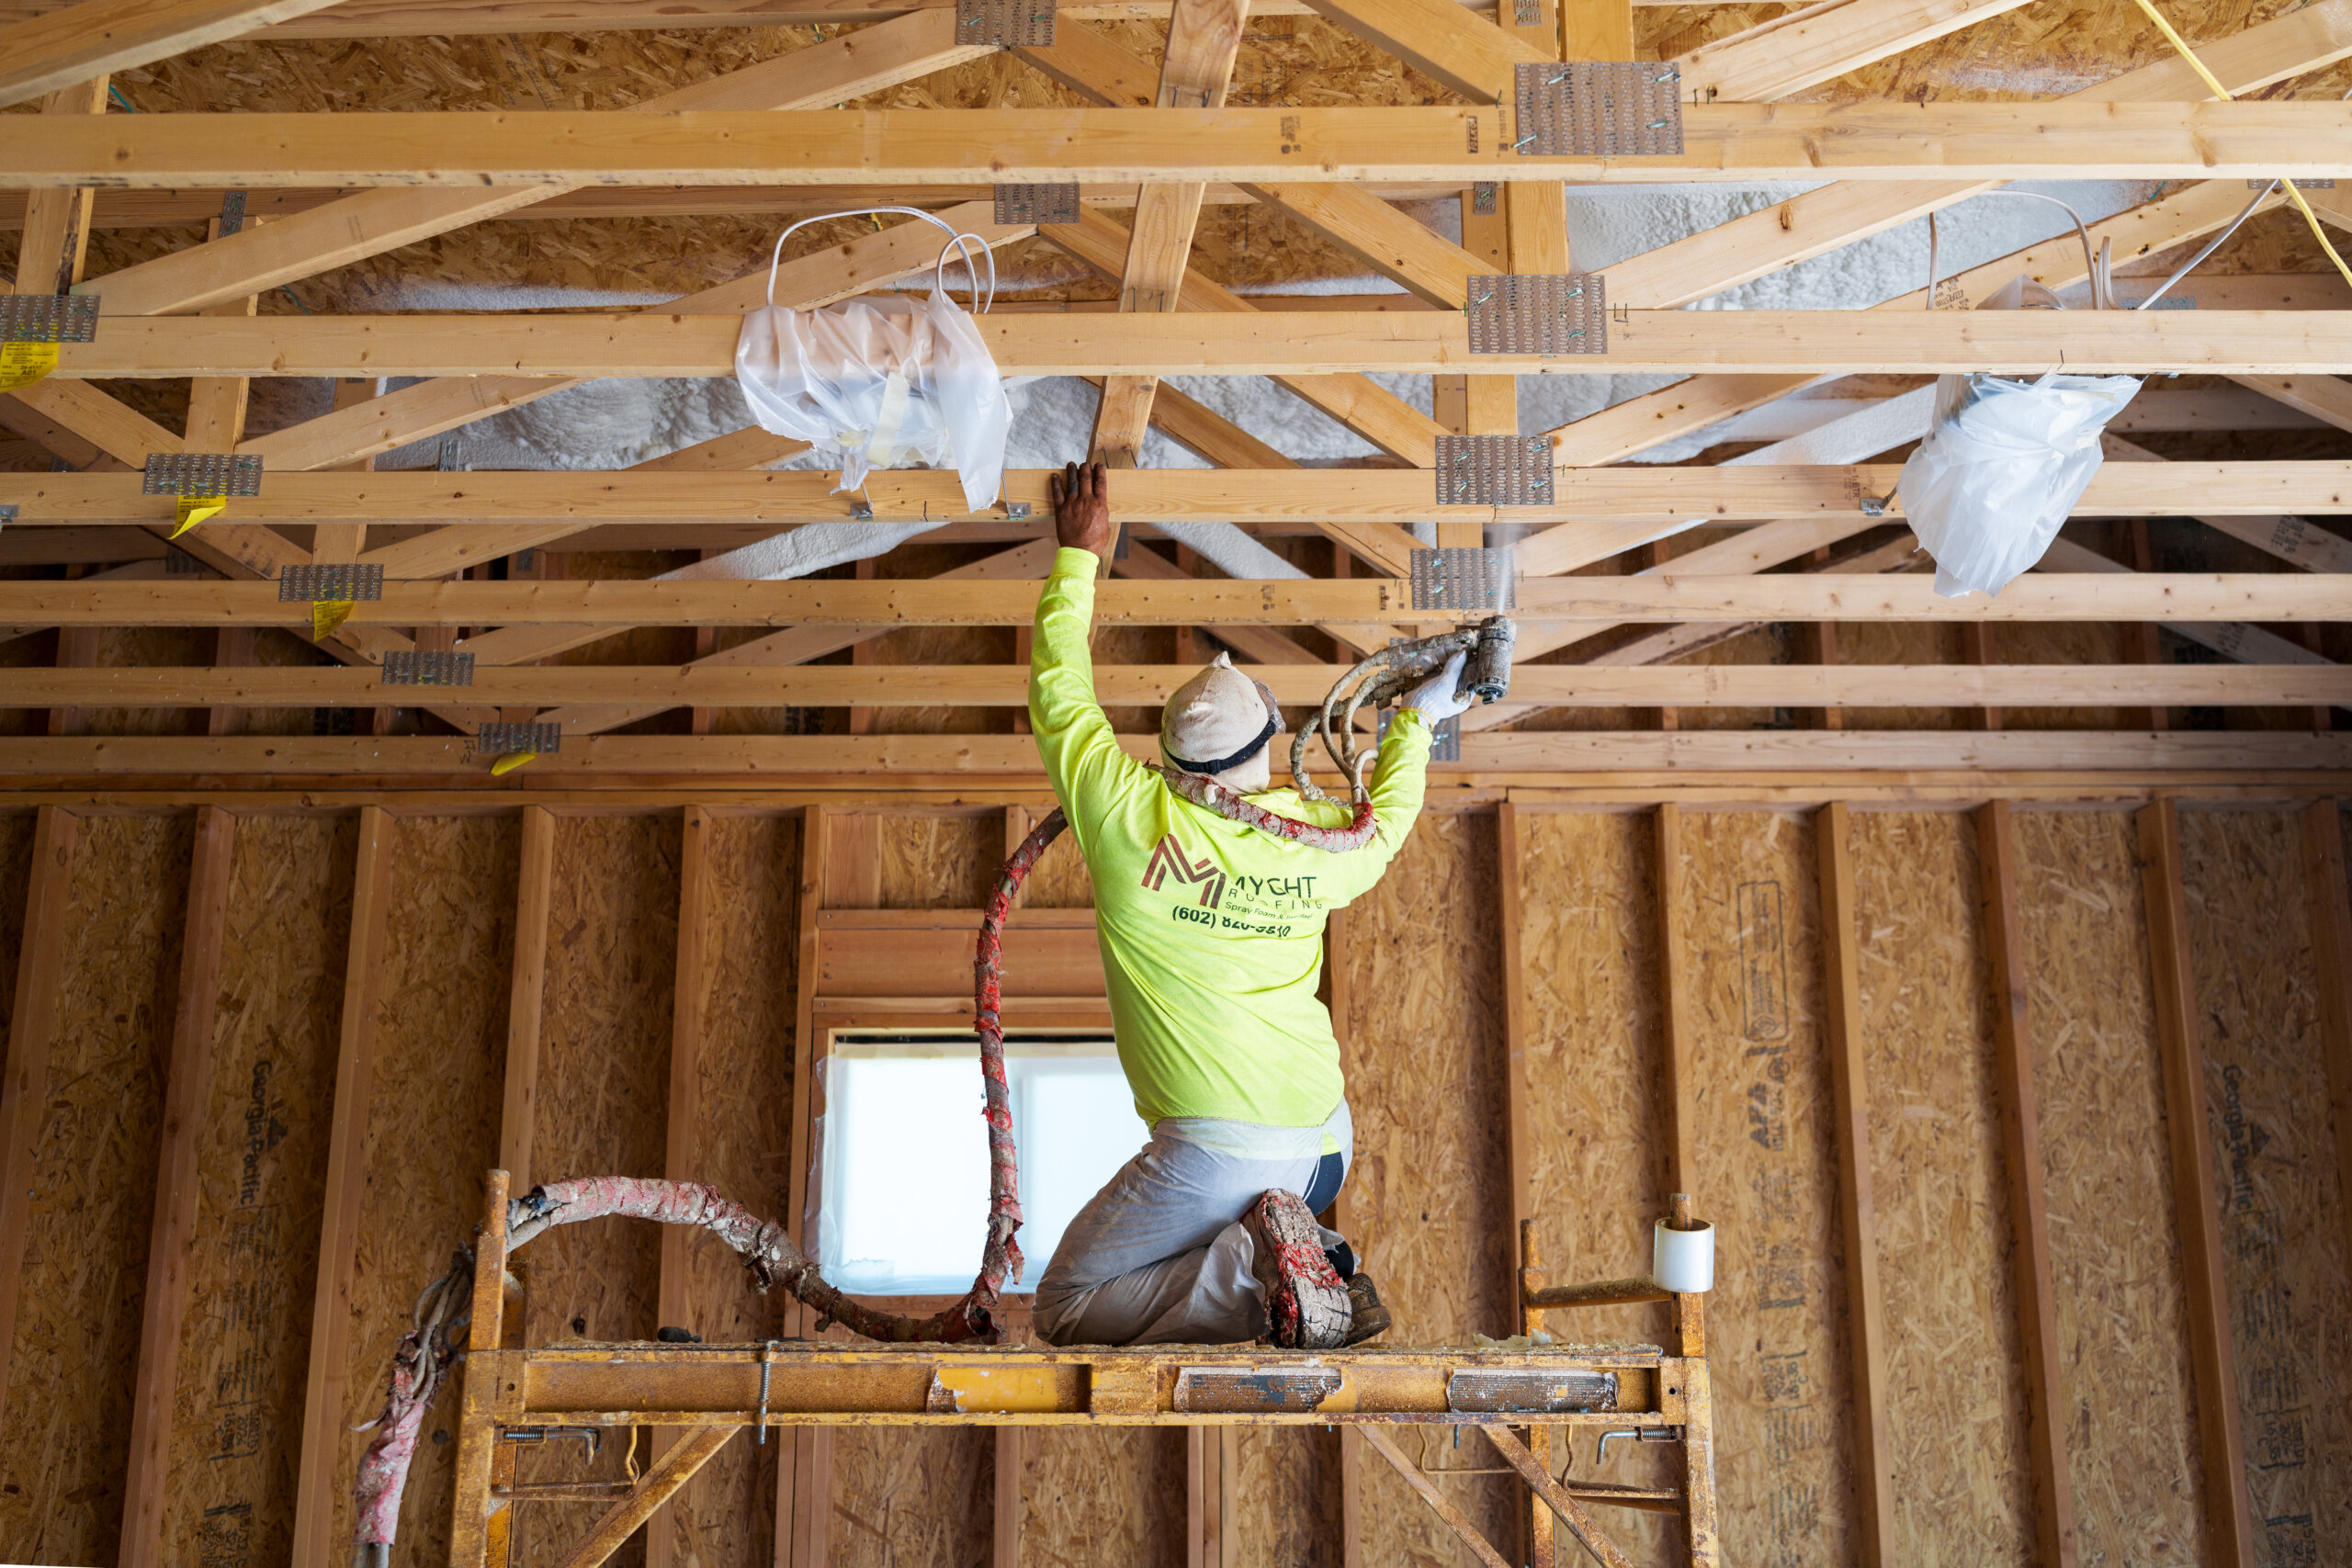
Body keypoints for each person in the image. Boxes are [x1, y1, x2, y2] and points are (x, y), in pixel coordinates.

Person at [1023, 460, 1476, 1349]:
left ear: (1170, 760)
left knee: (1068, 1304)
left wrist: (1080, 554)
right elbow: (1384, 827)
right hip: (1317, 1148)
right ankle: (1292, 1255)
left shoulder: (1125, 817)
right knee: (1084, 1302)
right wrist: (1417, 720)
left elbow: (1058, 696)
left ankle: (1258, 1273)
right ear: (1265, 751)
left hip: (1218, 1151)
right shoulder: (1318, 843)